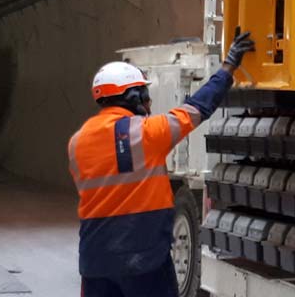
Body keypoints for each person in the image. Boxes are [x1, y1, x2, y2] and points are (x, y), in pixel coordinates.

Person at [67, 32, 256, 297]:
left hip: (94, 259)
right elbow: (197, 108)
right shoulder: (146, 133)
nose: (149, 101)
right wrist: (228, 67)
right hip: (143, 259)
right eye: (144, 94)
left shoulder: (77, 142)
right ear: (132, 97)